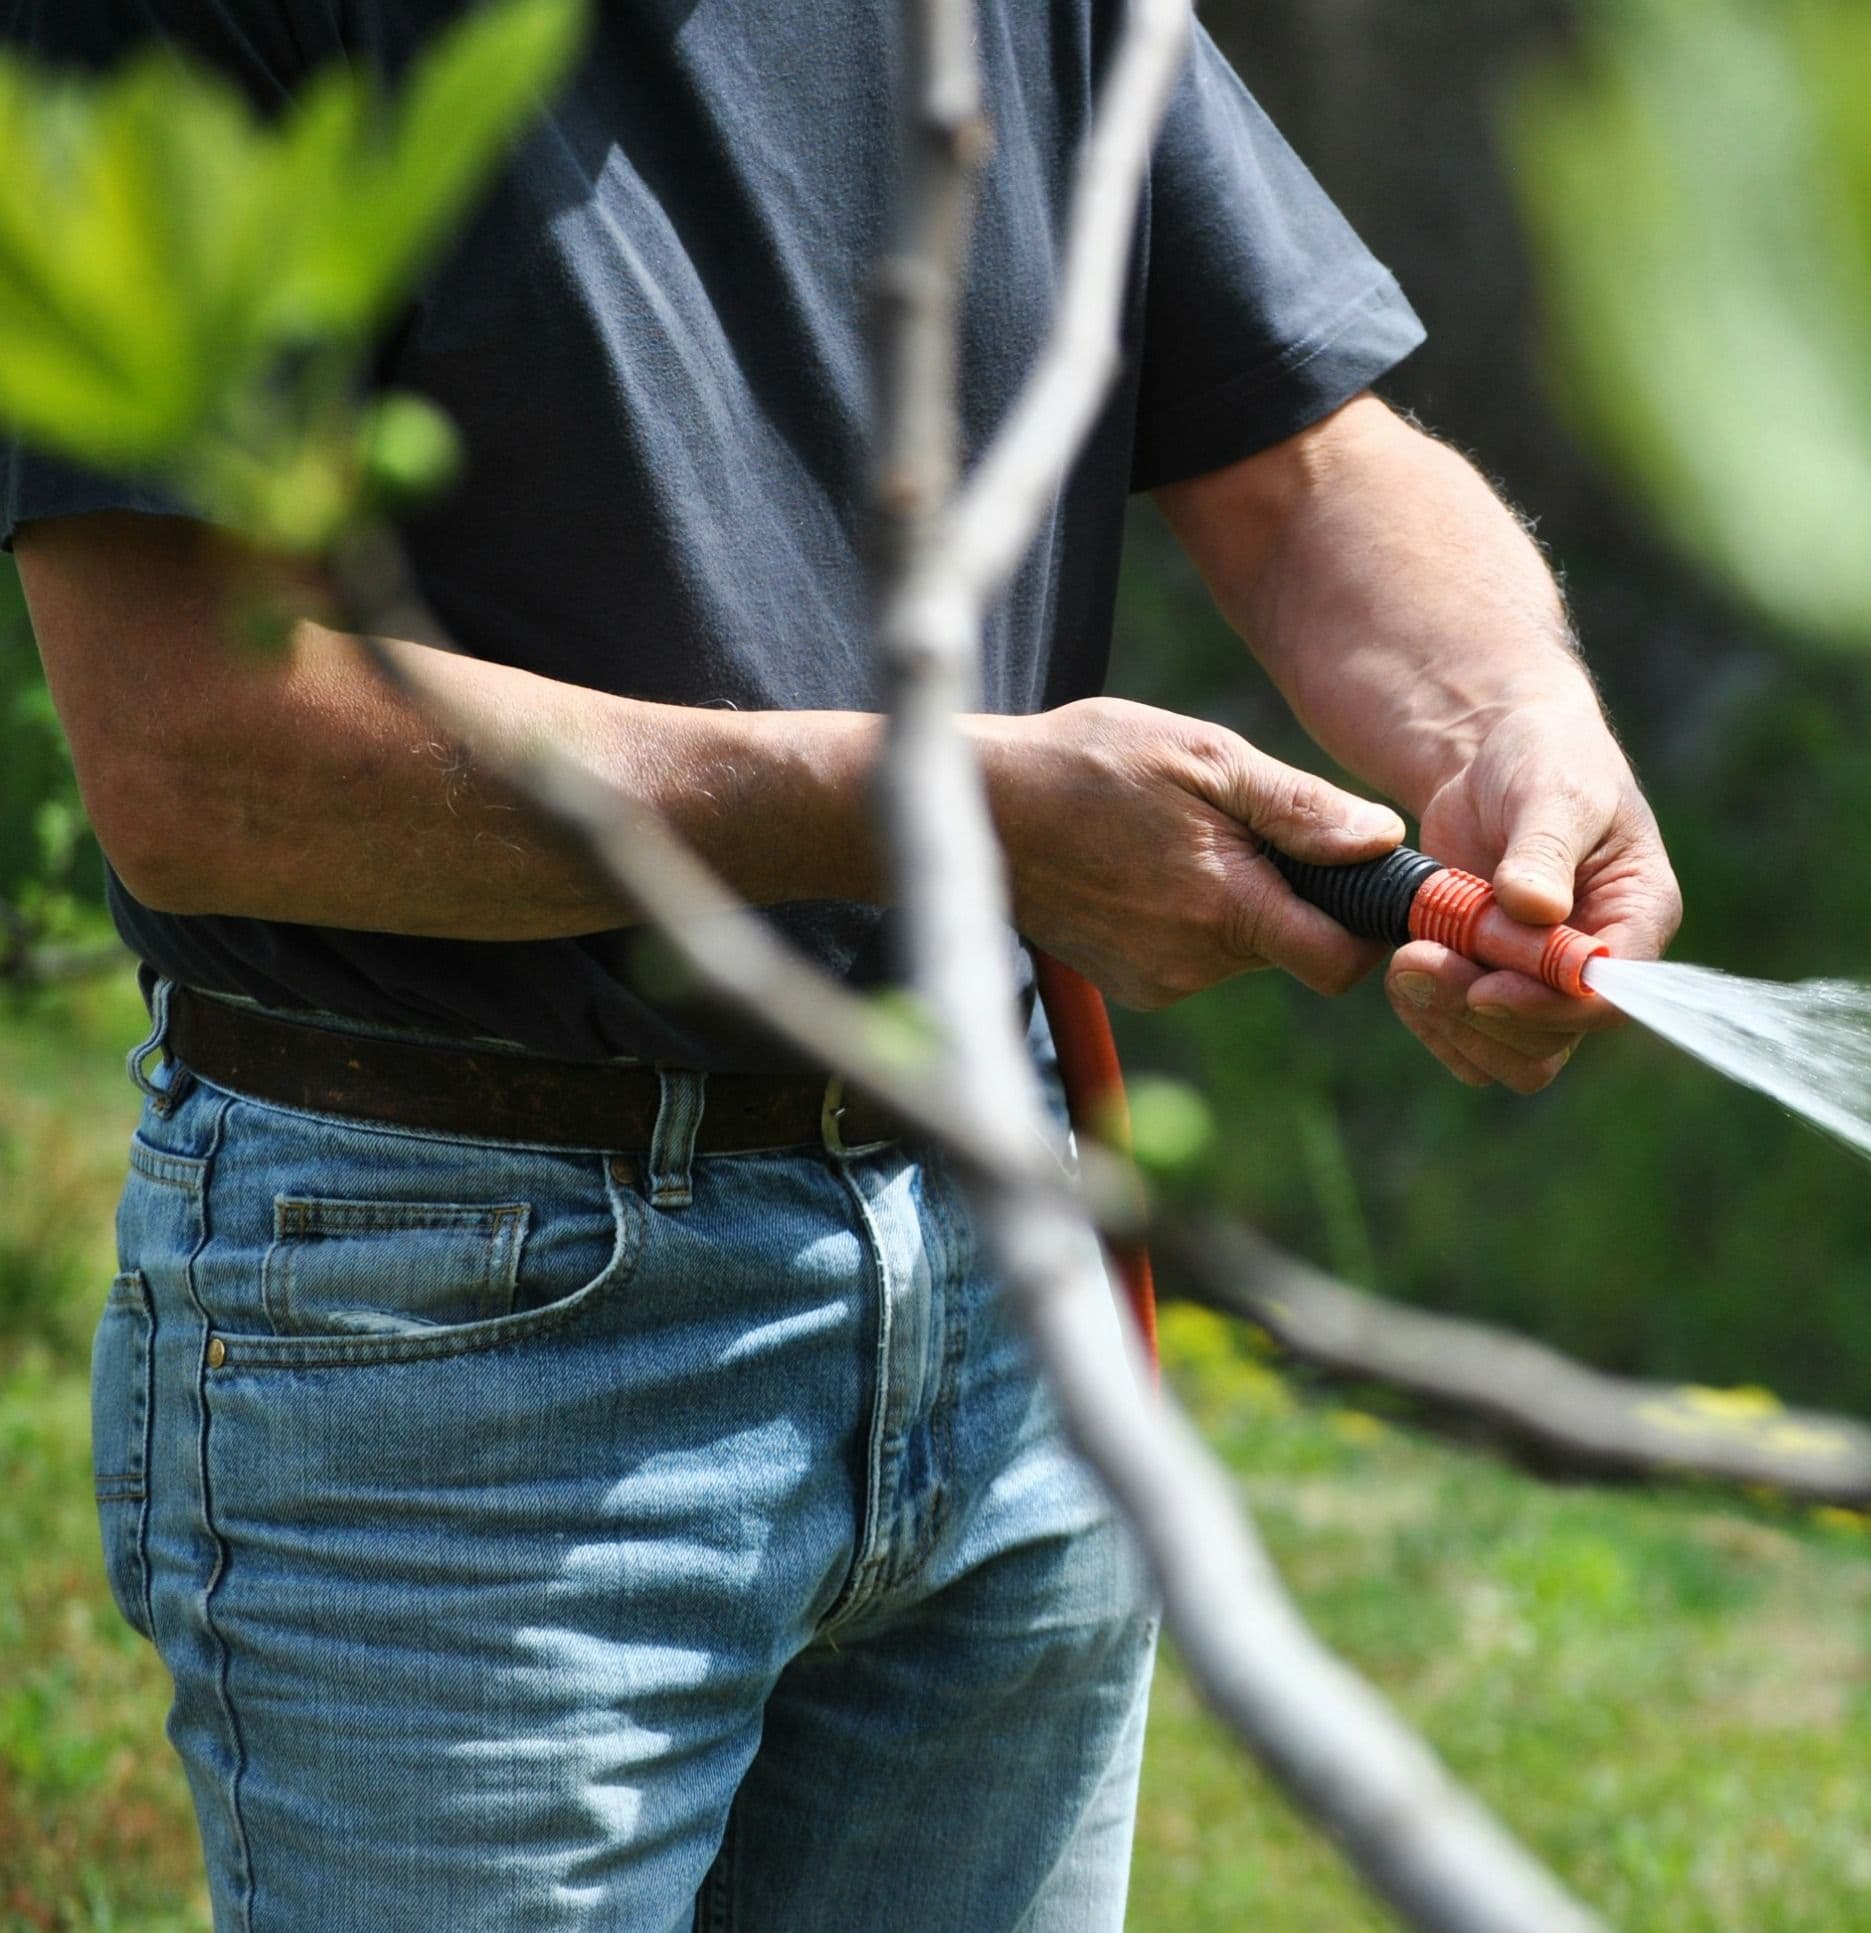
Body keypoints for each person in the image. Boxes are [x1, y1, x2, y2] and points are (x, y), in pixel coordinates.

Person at [2, 1, 1681, 1926]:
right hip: (459, 1330)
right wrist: (922, 806)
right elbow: (195, 752)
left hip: (999, 1241)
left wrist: (1510, 722)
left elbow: (1304, 465)